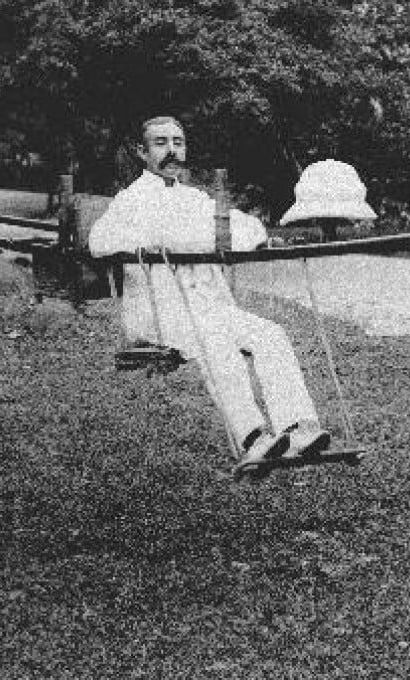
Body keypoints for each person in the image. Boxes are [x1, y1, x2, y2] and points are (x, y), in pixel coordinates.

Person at [88, 116, 331, 475]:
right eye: (160, 143)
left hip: (206, 307)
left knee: (270, 334)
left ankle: (297, 430)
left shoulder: (194, 199)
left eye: (178, 142)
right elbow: (99, 242)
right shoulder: (130, 201)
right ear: (142, 152)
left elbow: (242, 227)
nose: (172, 150)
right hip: (160, 314)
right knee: (215, 341)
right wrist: (151, 240)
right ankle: (253, 437)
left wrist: (248, 235)